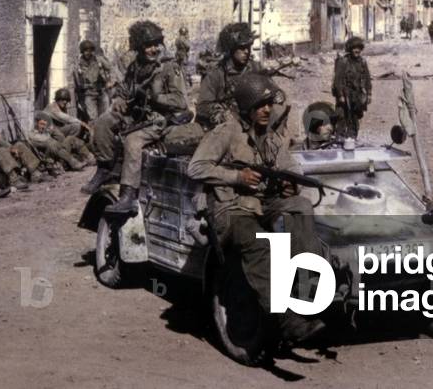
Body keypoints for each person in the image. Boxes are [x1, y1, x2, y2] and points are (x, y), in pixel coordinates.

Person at [187, 72, 327, 346]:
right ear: (247, 107)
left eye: (269, 105)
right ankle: (287, 320)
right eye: (260, 105)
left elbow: (291, 166)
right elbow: (196, 167)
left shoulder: (270, 136)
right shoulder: (226, 132)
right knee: (259, 246)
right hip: (230, 208)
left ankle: (306, 294)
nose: (266, 110)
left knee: (301, 207)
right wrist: (237, 177)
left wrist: (291, 182)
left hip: (262, 203)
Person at [90, 20, 200, 214]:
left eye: (157, 44)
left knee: (133, 141)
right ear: (139, 48)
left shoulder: (168, 68)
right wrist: (118, 99)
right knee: (102, 123)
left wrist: (156, 97)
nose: (154, 49)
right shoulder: (135, 67)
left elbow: (180, 101)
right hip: (136, 116)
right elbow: (124, 90)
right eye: (149, 46)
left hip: (158, 121)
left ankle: (128, 195)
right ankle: (104, 167)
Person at [197, 22, 272, 130]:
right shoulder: (216, 73)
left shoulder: (255, 68)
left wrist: (277, 94)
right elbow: (202, 106)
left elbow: (271, 89)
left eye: (248, 47)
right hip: (225, 127)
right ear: (231, 49)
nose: (247, 51)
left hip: (252, 119)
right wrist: (223, 114)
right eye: (242, 48)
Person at [332, 36, 372, 139]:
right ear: (350, 49)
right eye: (354, 48)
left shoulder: (362, 62)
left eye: (359, 48)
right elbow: (337, 80)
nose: (357, 50)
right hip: (345, 95)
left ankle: (352, 138)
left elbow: (367, 79)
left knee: (355, 118)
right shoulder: (343, 61)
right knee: (342, 117)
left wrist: (369, 94)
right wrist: (340, 95)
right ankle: (339, 139)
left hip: (357, 96)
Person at [74, 40, 116, 122]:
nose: (88, 53)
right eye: (86, 50)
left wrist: (111, 81)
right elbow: (77, 81)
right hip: (88, 93)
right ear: (82, 51)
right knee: (93, 118)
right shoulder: (78, 64)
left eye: (90, 50)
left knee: (105, 116)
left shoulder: (98, 60)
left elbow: (111, 68)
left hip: (101, 91)